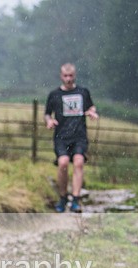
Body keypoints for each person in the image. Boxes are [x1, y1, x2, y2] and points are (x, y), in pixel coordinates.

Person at [44, 63, 98, 213]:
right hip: (61, 136)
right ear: (61, 76)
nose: (68, 79)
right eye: (65, 76)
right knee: (63, 163)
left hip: (79, 135)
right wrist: (49, 121)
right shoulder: (54, 95)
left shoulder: (83, 92)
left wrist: (92, 112)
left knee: (79, 162)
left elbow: (91, 106)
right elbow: (47, 113)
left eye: (71, 76)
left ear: (74, 76)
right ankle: (62, 196)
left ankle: (75, 198)